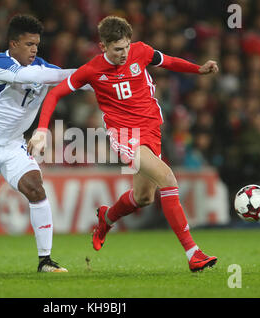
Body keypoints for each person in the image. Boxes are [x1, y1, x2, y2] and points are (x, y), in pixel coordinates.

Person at [28, 16, 219, 272]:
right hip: (125, 134)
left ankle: (106, 218)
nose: (124, 53)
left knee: (144, 197)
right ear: (103, 46)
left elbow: (168, 61)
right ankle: (193, 253)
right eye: (117, 49)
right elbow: (55, 94)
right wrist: (41, 130)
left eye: (126, 47)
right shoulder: (92, 70)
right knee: (167, 178)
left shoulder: (140, 51)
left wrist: (198, 69)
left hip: (151, 130)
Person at [0, 14, 81, 273]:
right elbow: (27, 76)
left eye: (37, 44)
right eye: (28, 44)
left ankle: (45, 260)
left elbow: (77, 80)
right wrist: (66, 75)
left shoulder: (43, 68)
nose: (34, 49)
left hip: (13, 145)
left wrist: (105, 75)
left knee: (36, 189)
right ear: (13, 44)